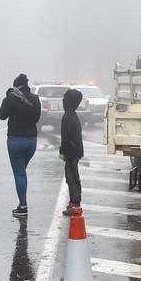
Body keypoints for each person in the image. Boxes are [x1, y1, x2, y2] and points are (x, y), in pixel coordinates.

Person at [0, 73, 41, 216]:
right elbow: (37, 118)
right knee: (21, 171)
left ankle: (23, 206)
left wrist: (7, 98)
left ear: (16, 86)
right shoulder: (35, 99)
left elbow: (1, 116)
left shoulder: (11, 99)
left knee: (19, 173)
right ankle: (22, 203)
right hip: (31, 140)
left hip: (15, 139)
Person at [60, 89, 84, 217]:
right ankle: (74, 201)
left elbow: (66, 137)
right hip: (76, 150)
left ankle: (75, 202)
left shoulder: (68, 116)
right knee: (73, 176)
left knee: (72, 177)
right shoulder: (73, 114)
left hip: (71, 151)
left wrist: (62, 151)